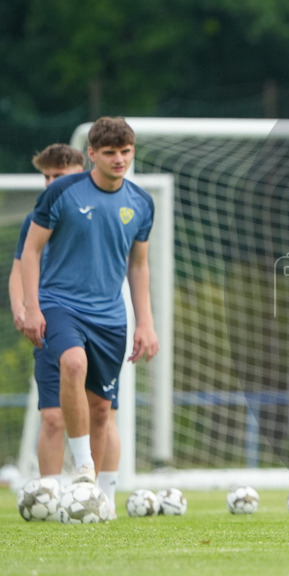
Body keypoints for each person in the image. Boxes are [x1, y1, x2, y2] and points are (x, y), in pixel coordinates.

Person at [19, 118, 158, 493]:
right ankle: (82, 467)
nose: (119, 159)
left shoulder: (142, 203)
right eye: (110, 153)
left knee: (101, 411)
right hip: (59, 303)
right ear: (92, 154)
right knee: (72, 363)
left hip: (109, 316)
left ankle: (101, 494)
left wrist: (145, 323)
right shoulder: (61, 192)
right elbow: (30, 252)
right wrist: (32, 307)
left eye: (125, 152)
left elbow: (139, 265)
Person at [10, 144, 123, 506]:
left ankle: (103, 496)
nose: (51, 183)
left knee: (103, 413)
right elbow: (19, 268)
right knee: (53, 417)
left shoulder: (106, 208)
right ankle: (50, 495)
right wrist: (24, 308)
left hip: (103, 323)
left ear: (82, 171)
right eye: (46, 177)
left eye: (58, 176)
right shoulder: (37, 217)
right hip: (53, 324)